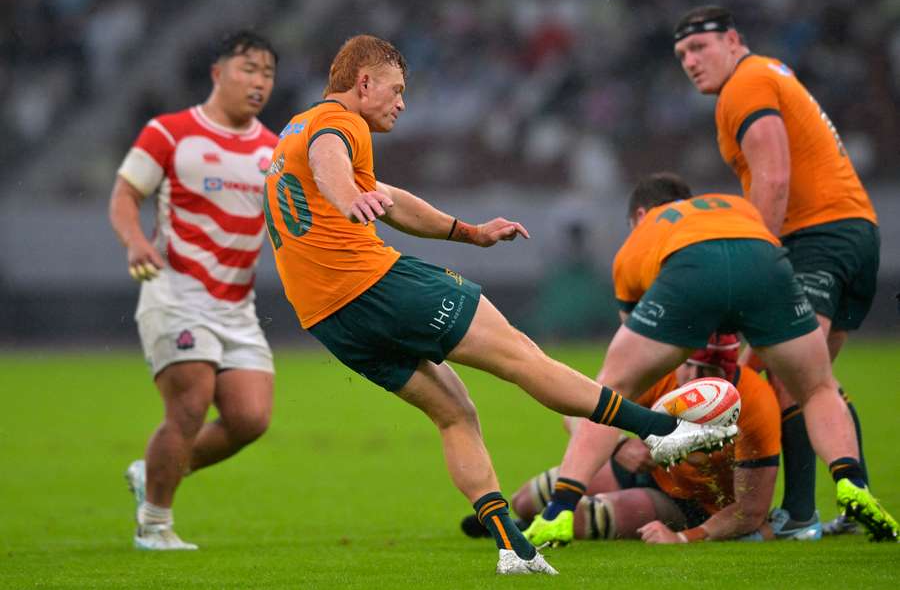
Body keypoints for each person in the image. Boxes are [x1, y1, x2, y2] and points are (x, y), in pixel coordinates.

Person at [263, 35, 737, 575]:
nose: (402, 103)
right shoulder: (339, 125)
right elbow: (333, 169)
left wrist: (469, 232)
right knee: (522, 357)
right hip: (377, 285)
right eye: (396, 90)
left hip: (331, 320)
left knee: (454, 413)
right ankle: (664, 430)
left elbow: (389, 200)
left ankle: (513, 546)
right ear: (363, 83)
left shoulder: (293, 131)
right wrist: (350, 200)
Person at [522, 173, 898, 546]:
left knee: (610, 387)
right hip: (763, 259)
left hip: (691, 268)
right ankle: (851, 478)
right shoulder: (732, 206)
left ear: (639, 216)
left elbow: (603, 389)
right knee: (817, 387)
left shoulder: (640, 241)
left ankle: (559, 510)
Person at [672, 5, 881, 537]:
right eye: (681, 55)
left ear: (734, 40)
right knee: (817, 381)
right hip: (856, 234)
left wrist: (756, 263)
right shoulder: (769, 73)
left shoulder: (746, 83)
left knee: (794, 381)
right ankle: (855, 505)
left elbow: (774, 178)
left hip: (817, 238)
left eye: (700, 48)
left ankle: (798, 515)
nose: (690, 62)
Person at [109, 30, 279, 550]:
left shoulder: (274, 151)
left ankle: (152, 471)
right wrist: (135, 240)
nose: (258, 82)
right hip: (175, 293)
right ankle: (154, 525)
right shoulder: (170, 132)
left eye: (268, 74)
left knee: (250, 419)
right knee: (189, 405)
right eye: (248, 69)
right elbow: (124, 194)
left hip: (237, 306)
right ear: (217, 72)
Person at [503, 334, 782, 543]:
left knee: (589, 517)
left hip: (690, 501)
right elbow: (577, 412)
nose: (694, 378)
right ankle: (522, 520)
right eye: (689, 365)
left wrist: (685, 537)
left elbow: (751, 511)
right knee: (526, 500)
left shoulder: (756, 403)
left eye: (708, 371)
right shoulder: (662, 374)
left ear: (730, 371)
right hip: (643, 468)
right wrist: (620, 445)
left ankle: (520, 530)